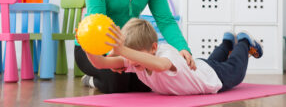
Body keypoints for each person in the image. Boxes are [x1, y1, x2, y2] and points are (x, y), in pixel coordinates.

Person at [85, 18, 263, 95]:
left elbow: (161, 66)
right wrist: (87, 45)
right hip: (202, 68)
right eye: (130, 54)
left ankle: (244, 42)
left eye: (136, 54)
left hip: (215, 78)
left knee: (236, 69)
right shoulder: (135, 61)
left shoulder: (166, 53)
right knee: (213, 61)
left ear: (154, 47)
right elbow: (100, 63)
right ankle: (226, 41)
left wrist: (122, 50)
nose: (132, 60)